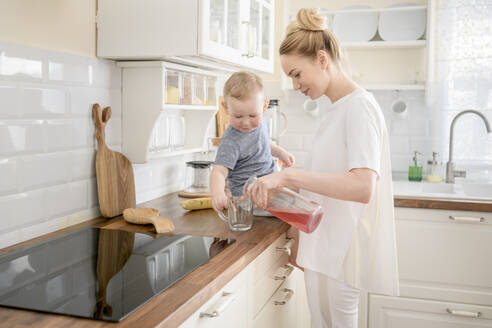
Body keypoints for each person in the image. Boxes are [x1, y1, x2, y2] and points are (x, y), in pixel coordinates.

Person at [247, 8, 399, 328]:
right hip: (324, 248)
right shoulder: (334, 109)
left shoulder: (360, 107)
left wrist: (287, 175)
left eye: (297, 74)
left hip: (343, 251)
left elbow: (361, 187)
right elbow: (324, 186)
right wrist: (299, 238)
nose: (294, 84)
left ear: (321, 59)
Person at [210, 71, 295, 213]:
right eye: (238, 116)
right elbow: (219, 171)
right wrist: (218, 193)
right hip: (248, 200)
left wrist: (281, 153)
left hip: (271, 189)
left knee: (299, 206)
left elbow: (265, 144)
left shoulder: (263, 123)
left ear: (264, 106)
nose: (246, 122)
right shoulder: (231, 141)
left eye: (252, 115)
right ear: (226, 108)